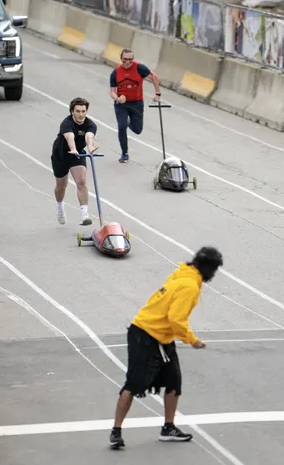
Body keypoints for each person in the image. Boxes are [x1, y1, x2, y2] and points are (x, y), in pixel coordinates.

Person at [109, 246, 223, 449]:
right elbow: (176, 319)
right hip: (145, 335)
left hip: (160, 337)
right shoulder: (190, 286)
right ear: (207, 268)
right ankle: (116, 431)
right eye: (214, 270)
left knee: (173, 381)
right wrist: (192, 340)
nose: (214, 275)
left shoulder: (182, 273)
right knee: (134, 383)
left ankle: (168, 427)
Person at [51, 97, 98, 226]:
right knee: (61, 186)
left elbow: (89, 136)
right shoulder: (66, 123)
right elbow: (69, 136)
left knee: (81, 181)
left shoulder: (91, 124)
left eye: (83, 111)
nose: (81, 114)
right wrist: (72, 148)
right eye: (77, 111)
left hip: (77, 155)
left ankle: (85, 215)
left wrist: (90, 147)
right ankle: (60, 207)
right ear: (72, 111)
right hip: (60, 155)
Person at [109, 48, 161, 163]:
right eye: (125, 60)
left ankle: (128, 122)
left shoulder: (139, 68)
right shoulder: (116, 73)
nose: (127, 62)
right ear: (121, 59)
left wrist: (157, 93)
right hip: (121, 105)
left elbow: (154, 77)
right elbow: (112, 91)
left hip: (136, 103)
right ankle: (124, 153)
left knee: (138, 130)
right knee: (121, 127)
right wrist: (117, 98)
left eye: (130, 60)